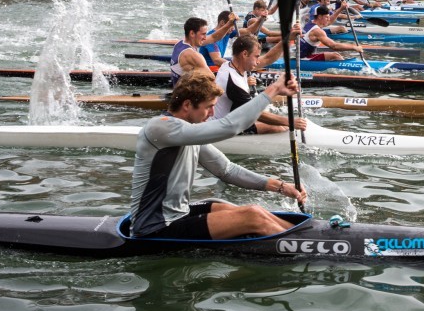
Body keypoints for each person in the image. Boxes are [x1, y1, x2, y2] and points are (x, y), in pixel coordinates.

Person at [128, 71, 307, 240]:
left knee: (252, 210)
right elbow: (229, 126)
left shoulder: (189, 133)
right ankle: (304, 245)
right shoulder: (160, 127)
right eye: (209, 107)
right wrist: (274, 89)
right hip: (153, 227)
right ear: (187, 105)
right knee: (252, 217)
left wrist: (282, 187)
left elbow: (227, 171)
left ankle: (304, 234)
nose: (212, 113)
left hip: (178, 214)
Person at [214, 35, 306, 135]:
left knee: (279, 123)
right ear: (244, 54)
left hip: (234, 119)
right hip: (224, 129)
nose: (258, 61)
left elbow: (268, 58)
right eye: (257, 56)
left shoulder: (230, 65)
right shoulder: (233, 82)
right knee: (279, 128)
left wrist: (287, 38)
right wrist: (290, 122)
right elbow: (254, 113)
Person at [171, 15, 239, 86]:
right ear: (192, 33)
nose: (205, 37)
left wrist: (229, 24)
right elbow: (212, 80)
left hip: (179, 89)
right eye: (203, 34)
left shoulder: (179, 43)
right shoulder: (193, 55)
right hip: (187, 95)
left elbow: (213, 37)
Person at [300, 6, 365, 61]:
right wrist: (354, 47)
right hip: (303, 59)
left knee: (336, 55)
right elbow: (334, 46)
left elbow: (330, 21)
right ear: (319, 17)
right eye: (326, 17)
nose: (328, 19)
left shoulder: (310, 22)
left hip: (301, 55)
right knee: (335, 56)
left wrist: (341, 8)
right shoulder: (317, 31)